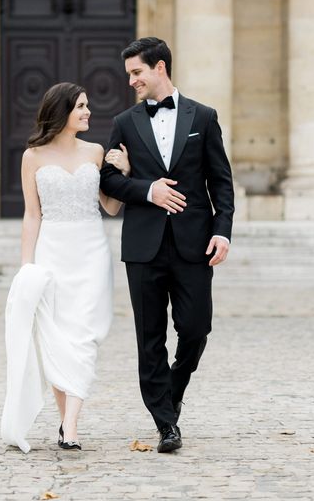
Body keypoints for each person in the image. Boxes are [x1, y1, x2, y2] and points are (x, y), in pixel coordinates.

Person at [100, 37, 234, 453]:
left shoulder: (204, 117)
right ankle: (166, 425)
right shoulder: (124, 122)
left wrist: (222, 229)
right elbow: (108, 181)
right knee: (150, 337)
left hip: (195, 244)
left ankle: (170, 394)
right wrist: (147, 190)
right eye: (128, 75)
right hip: (143, 246)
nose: (131, 81)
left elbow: (221, 182)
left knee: (196, 329)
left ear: (160, 67)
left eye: (137, 72)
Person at [2, 82, 129, 452]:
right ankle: (67, 425)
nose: (89, 112)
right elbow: (31, 214)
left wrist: (125, 169)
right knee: (55, 338)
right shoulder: (33, 156)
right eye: (81, 106)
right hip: (52, 251)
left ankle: (69, 425)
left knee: (84, 337)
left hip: (91, 251)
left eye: (88, 105)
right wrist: (27, 266)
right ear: (62, 112)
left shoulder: (95, 151)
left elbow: (110, 207)